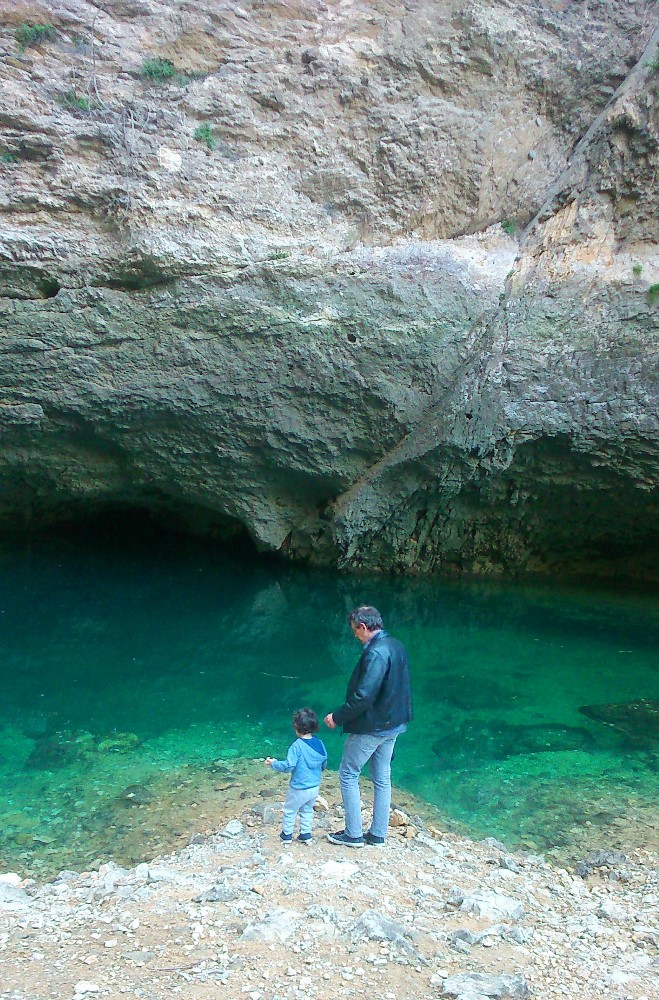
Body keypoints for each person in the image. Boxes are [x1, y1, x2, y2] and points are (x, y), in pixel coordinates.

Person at [324, 605, 412, 848]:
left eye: (355, 630)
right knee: (382, 777)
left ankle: (353, 834)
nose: (355, 635)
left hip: (374, 726)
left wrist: (337, 717)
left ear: (364, 627)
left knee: (348, 773)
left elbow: (364, 696)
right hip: (394, 724)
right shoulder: (396, 645)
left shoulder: (375, 653)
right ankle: (377, 834)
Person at [265, 707, 328, 845]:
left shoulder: (297, 746)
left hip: (299, 787)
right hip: (314, 787)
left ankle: (286, 836)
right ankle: (305, 834)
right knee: (307, 810)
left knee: (290, 810)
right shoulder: (319, 743)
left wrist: (274, 763)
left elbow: (289, 766)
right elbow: (324, 763)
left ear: (296, 726)